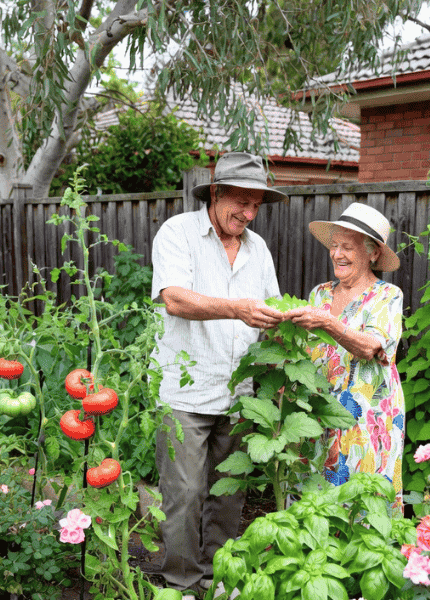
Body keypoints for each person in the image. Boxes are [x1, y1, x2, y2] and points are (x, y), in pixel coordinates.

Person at [150, 152, 286, 598]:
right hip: (185, 391)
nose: (247, 214)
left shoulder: (258, 249)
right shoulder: (178, 233)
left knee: (228, 497)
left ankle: (217, 579)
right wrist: (237, 308)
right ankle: (182, 584)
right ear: (215, 193)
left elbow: (273, 312)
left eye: (256, 205)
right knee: (185, 495)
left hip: (240, 393)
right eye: (240, 202)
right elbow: (174, 299)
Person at [283, 203, 405, 513]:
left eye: (347, 247)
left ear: (373, 253)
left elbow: (371, 348)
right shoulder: (320, 294)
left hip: (365, 418)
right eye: (334, 245)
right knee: (311, 499)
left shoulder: (387, 296)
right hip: (316, 413)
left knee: (360, 501)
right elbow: (305, 351)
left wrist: (329, 323)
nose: (338, 254)